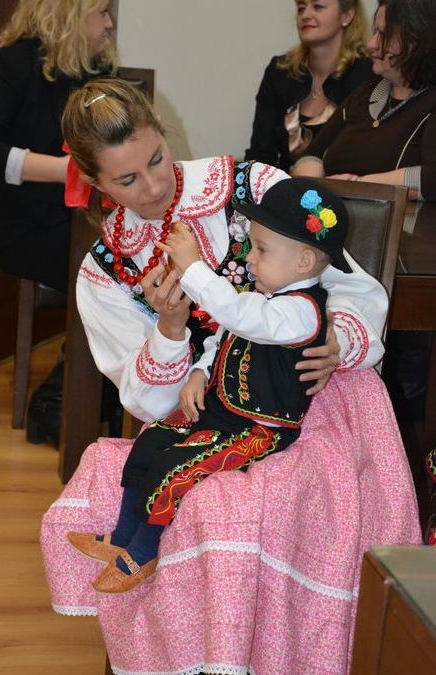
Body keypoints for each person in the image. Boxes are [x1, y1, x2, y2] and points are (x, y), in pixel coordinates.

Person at [41, 78, 421, 674]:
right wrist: (170, 331)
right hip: (206, 411)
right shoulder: (107, 271)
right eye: (127, 180)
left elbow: (353, 288)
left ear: (163, 133)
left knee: (245, 504)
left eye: (156, 159)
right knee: (185, 485)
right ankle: (208, 653)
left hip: (315, 402)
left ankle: (282, 654)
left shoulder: (251, 188)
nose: (154, 186)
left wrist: (337, 341)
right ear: (94, 182)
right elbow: (146, 402)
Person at [67, 178, 351, 594]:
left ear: (304, 260)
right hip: (221, 410)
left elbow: (239, 317)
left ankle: (144, 552)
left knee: (175, 465)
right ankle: (122, 535)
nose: (249, 257)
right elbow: (224, 336)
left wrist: (193, 267)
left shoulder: (301, 313)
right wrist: (201, 371)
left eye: (261, 249)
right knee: (152, 441)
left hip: (257, 428)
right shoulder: (265, 295)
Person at [0, 0, 122, 446]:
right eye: (101, 12)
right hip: (23, 225)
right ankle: (62, 401)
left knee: (128, 263)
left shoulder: (96, 71)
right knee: (111, 273)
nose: (109, 23)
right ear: (70, 14)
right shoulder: (11, 65)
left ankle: (91, 399)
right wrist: (65, 171)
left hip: (79, 222)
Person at [292, 0, 436, 202]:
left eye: (383, 34)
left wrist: (355, 184)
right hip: (327, 213)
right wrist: (306, 191)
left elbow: (431, 179)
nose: (371, 44)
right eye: (375, 32)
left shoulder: (430, 102)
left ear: (417, 41)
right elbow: (312, 155)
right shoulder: (365, 93)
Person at [245, 0, 373, 172]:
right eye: (301, 8)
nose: (305, 15)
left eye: (318, 6)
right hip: (285, 186)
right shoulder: (280, 71)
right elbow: (260, 154)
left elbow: (369, 155)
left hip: (345, 187)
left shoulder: (368, 73)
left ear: (347, 15)